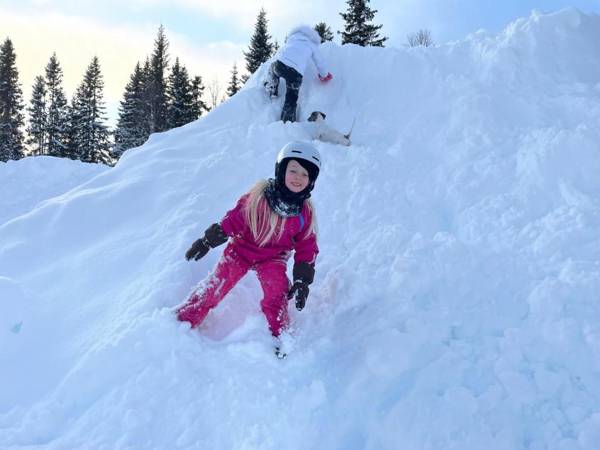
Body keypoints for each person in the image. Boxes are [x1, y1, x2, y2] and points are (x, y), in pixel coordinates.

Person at [177, 141, 321, 356]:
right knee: (216, 287)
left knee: (277, 294)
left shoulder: (303, 213)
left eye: (304, 174)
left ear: (311, 181)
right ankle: (183, 321)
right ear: (281, 171)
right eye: (293, 170)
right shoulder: (258, 199)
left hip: (273, 258)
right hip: (241, 251)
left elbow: (307, 247)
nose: (298, 177)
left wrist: (302, 280)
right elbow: (233, 220)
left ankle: (280, 334)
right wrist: (209, 239)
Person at [264, 25, 333, 123]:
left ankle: (272, 88)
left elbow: (282, 52)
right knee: (291, 100)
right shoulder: (312, 45)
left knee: (272, 68)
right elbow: (320, 62)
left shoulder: (292, 39)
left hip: (281, 65)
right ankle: (287, 123)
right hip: (295, 74)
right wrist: (324, 74)